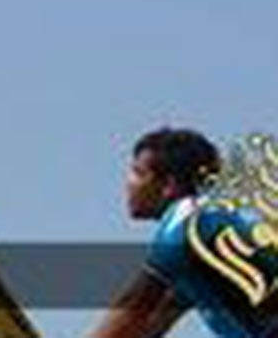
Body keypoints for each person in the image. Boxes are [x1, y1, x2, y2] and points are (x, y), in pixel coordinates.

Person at [82, 128, 278, 338]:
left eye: (138, 173)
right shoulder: (211, 227)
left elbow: (134, 306)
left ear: (168, 185)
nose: (129, 183)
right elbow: (150, 326)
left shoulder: (184, 223)